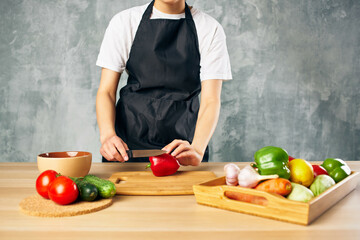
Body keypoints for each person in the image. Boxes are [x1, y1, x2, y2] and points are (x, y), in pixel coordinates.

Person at [96, 0, 232, 166]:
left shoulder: (210, 28)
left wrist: (197, 148)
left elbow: (211, 100)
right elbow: (106, 92)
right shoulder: (125, 22)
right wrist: (108, 136)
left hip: (183, 149)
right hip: (127, 147)